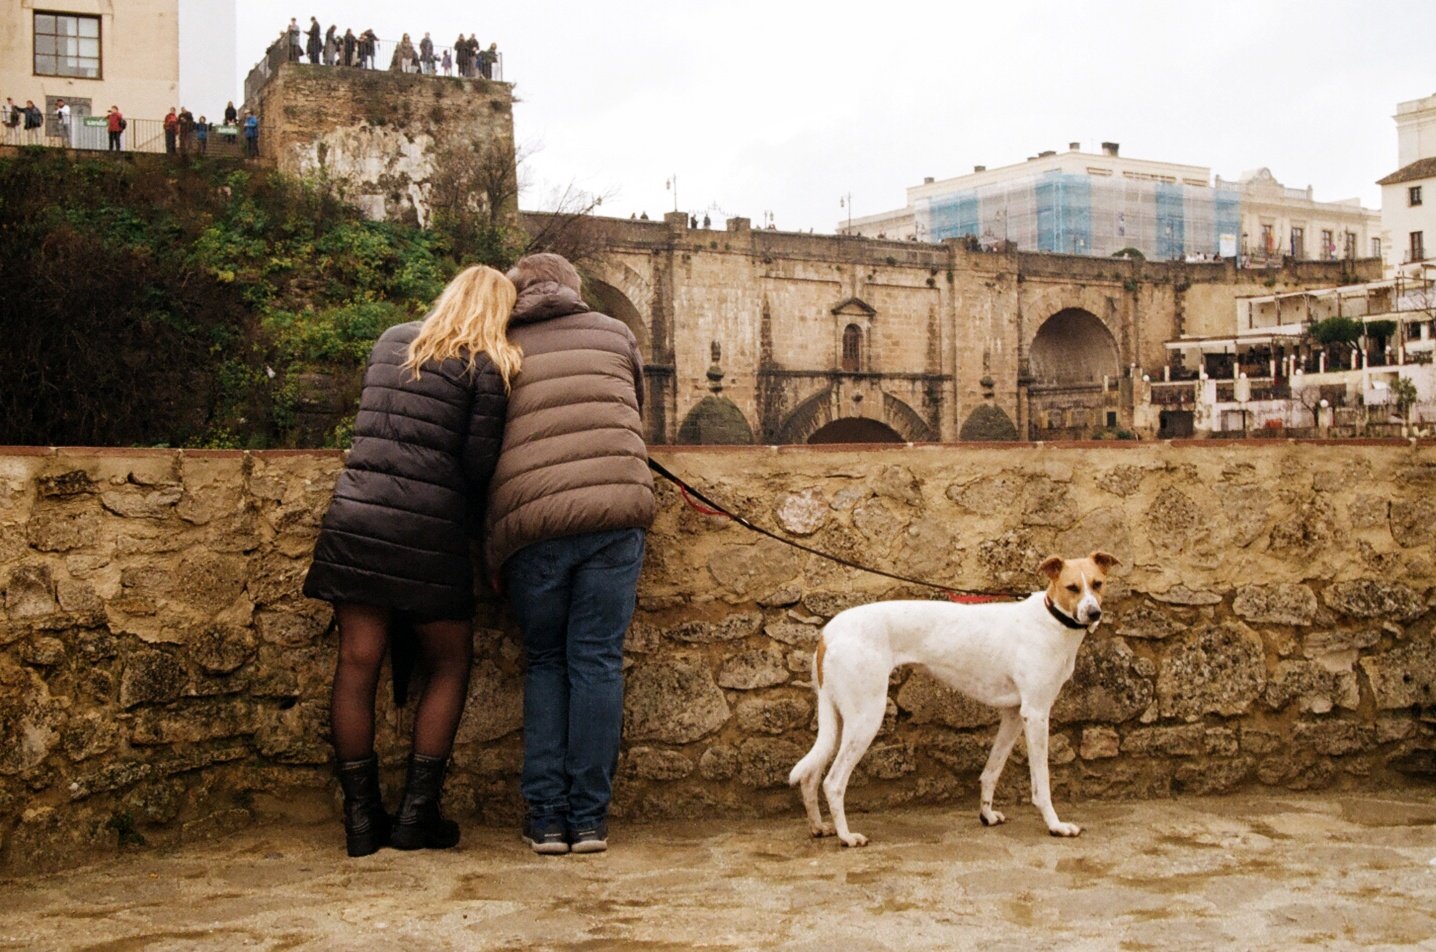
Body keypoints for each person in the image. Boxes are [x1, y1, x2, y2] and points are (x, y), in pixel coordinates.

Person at [304, 265, 519, 857]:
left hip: (355, 517)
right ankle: (415, 818)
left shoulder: (393, 341)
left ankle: (361, 822)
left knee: (357, 663)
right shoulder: (490, 364)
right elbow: (478, 467)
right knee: (449, 665)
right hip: (429, 531)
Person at [486, 253, 655, 856]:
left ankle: (546, 819)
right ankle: (589, 821)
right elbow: (634, 410)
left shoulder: (499, 342)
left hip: (534, 522)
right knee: (597, 661)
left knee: (546, 663)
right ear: (573, 290)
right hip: (615, 512)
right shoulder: (615, 333)